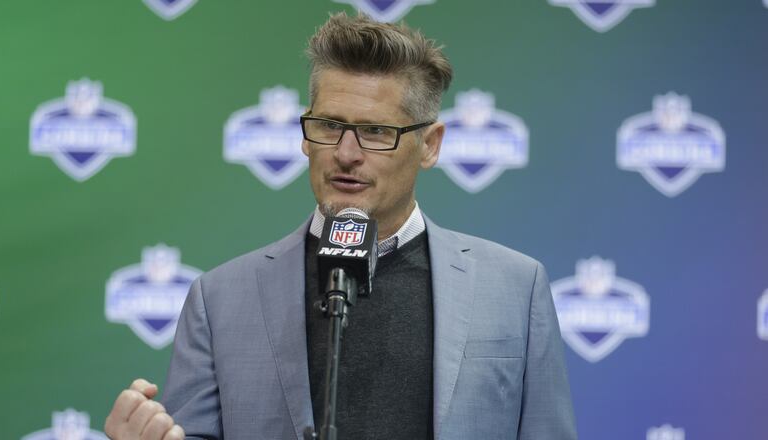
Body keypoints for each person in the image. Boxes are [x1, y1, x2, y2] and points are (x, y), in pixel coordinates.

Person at [104, 12, 577, 440]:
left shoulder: (514, 288)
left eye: (375, 132)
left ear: (430, 145)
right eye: (329, 125)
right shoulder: (221, 299)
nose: (347, 154)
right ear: (306, 134)